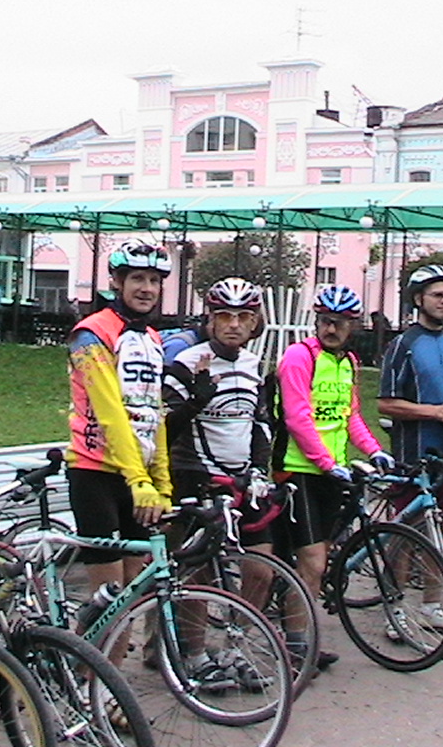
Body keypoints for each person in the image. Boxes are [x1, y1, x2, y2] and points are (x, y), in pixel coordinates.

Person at [161, 276, 281, 682]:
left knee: (262, 570)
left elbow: (260, 423)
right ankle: (195, 657)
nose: (233, 324)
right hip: (196, 477)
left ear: (255, 322)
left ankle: (234, 650)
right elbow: (164, 430)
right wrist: (196, 401)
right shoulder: (185, 362)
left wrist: (259, 469)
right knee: (198, 575)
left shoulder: (254, 365)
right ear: (210, 318)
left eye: (243, 316)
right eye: (224, 315)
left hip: (243, 481)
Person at [273, 284, 393, 664]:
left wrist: (374, 450)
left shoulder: (348, 363)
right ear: (316, 321)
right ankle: (296, 646)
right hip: (297, 470)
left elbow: (350, 415)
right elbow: (297, 418)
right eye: (325, 321)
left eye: (340, 323)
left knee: (316, 561)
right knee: (313, 563)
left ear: (352, 326)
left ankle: (297, 634)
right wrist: (327, 463)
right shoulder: (299, 357)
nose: (331, 329)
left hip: (329, 473)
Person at [65, 239, 173, 618]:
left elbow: (154, 411)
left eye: (154, 281)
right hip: (96, 473)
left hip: (136, 477)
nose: (147, 288)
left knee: (133, 599)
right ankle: (77, 656)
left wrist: (162, 482)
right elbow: (110, 413)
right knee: (109, 601)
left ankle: (109, 660)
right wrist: (139, 480)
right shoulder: (90, 334)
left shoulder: (152, 338)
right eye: (138, 278)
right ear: (117, 281)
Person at [379, 265, 443, 467]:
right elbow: (386, 404)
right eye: (437, 295)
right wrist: (434, 412)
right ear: (419, 300)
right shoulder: (403, 344)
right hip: (414, 457)